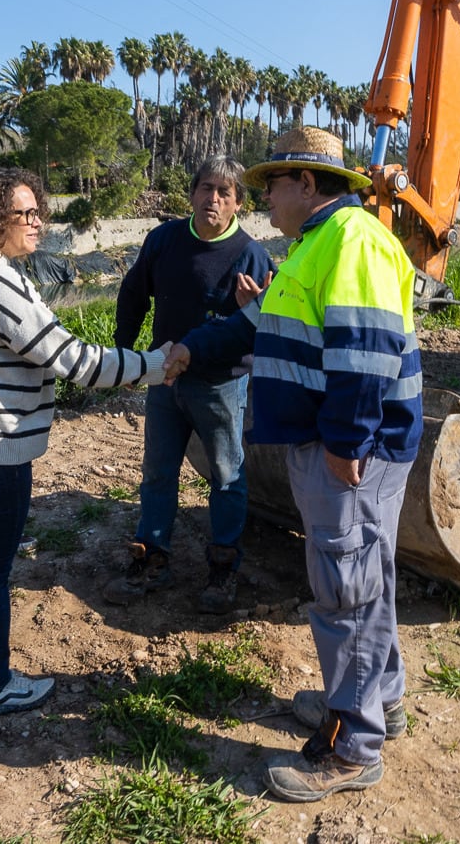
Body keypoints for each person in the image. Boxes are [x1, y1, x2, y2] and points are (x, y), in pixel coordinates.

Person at [166, 125, 423, 802]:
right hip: (333, 446)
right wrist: (192, 347)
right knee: (366, 575)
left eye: (271, 185)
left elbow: (364, 354)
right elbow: (264, 327)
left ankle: (353, 745)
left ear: (308, 183)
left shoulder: (352, 240)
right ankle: (381, 702)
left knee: (345, 591)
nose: (264, 200)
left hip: (346, 453)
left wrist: (345, 446)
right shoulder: (313, 245)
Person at [0, 167, 168, 717]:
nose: (37, 223)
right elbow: (74, 360)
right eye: (24, 214)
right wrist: (155, 364)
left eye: (38, 212)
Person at [103, 156, 272, 615]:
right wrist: (123, 348)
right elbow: (134, 293)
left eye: (224, 192)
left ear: (239, 203)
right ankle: (152, 559)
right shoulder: (164, 240)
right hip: (163, 380)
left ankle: (223, 567)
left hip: (220, 385)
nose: (212, 199)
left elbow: (258, 324)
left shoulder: (250, 256)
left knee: (225, 476)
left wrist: (248, 309)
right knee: (158, 472)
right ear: (192, 193)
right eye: (205, 189)